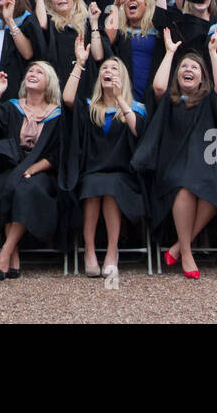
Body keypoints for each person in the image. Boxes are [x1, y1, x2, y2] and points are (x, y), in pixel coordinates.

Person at [132, 29, 217, 278]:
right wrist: (169, 53)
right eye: (183, 67)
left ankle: (177, 246)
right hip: (173, 166)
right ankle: (187, 252)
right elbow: (157, 86)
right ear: (177, 75)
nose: (188, 69)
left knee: (216, 187)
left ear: (201, 78)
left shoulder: (208, 98)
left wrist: (211, 52)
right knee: (184, 185)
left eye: (194, 68)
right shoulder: (171, 99)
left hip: (205, 165)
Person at [61, 42, 146, 278]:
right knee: (93, 186)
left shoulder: (134, 107)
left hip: (123, 174)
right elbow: (68, 99)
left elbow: (138, 131)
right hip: (92, 172)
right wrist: (79, 63)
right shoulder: (91, 108)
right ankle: (89, 250)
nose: (108, 71)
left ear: (123, 78)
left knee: (111, 187)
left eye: (114, 69)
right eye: (104, 69)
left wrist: (120, 100)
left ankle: (111, 250)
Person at [0, 61, 66, 280]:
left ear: (49, 83)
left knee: (26, 190)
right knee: (4, 188)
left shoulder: (57, 114)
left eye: (39, 72)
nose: (33, 73)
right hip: (12, 166)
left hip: (41, 171)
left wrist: (34, 167)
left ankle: (6, 251)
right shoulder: (12, 106)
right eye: (30, 71)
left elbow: (58, 154)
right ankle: (14, 253)